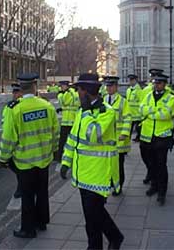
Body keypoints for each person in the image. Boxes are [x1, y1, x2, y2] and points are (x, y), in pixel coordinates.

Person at [61, 73, 124, 250]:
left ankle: (101, 244)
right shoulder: (82, 111)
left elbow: (94, 134)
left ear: (87, 91)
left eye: (79, 90)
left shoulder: (106, 112)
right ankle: (114, 237)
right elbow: (73, 138)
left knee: (93, 215)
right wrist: (66, 161)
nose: (77, 94)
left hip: (98, 174)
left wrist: (88, 112)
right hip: (82, 173)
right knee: (92, 215)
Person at [0, 73, 59, 239]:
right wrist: (53, 150)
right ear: (35, 86)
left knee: (27, 196)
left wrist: (3, 158)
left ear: (20, 87)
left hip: (24, 162)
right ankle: (42, 222)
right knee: (42, 192)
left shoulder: (15, 109)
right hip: (44, 159)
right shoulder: (47, 106)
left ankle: (28, 229)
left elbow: (8, 138)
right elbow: (55, 132)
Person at [139, 71, 174, 206]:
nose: (156, 85)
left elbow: (166, 114)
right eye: (155, 83)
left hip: (162, 136)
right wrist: (153, 112)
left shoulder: (171, 97)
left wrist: (150, 113)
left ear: (165, 84)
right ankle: (154, 185)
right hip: (147, 135)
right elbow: (141, 109)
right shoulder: (148, 95)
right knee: (151, 163)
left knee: (161, 165)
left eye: (159, 83)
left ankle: (162, 191)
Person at [103, 76, 131, 196]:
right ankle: (110, 183)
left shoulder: (123, 101)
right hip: (108, 138)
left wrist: (124, 133)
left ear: (116, 87)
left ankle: (119, 186)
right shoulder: (104, 99)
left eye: (111, 86)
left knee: (119, 164)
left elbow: (128, 117)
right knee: (108, 163)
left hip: (119, 138)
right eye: (107, 86)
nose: (108, 88)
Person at [1, 83, 24, 199]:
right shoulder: (9, 106)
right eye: (14, 92)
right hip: (12, 141)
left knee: (21, 167)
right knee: (14, 165)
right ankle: (22, 183)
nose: (15, 94)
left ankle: (21, 186)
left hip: (22, 143)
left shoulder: (24, 105)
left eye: (18, 92)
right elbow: (5, 123)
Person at [55, 81, 79, 163]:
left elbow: (62, 102)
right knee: (74, 141)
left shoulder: (68, 93)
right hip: (73, 121)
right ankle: (75, 156)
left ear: (66, 86)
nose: (61, 88)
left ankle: (59, 157)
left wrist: (60, 94)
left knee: (62, 141)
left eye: (62, 86)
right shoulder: (74, 92)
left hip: (67, 121)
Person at [126, 74, 142, 142]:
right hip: (130, 112)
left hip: (137, 113)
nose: (130, 82)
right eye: (130, 80)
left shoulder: (139, 90)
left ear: (135, 80)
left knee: (138, 127)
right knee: (129, 127)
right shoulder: (129, 90)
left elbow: (141, 101)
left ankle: (139, 137)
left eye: (132, 80)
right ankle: (127, 138)